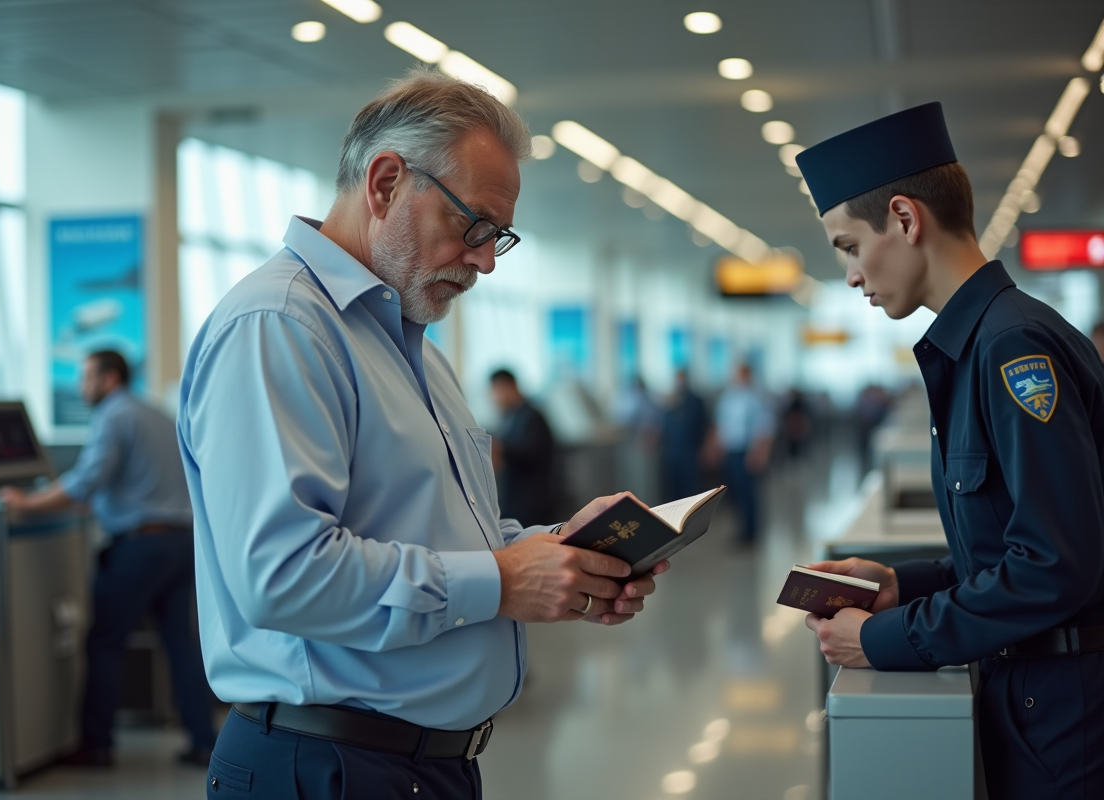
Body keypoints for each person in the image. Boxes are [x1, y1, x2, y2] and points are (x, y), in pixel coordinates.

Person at [176, 70, 668, 800]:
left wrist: (561, 551)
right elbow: (282, 576)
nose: (486, 260)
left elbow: (439, 533)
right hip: (326, 765)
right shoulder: (279, 328)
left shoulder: (413, 349)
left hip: (421, 767)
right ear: (385, 184)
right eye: (474, 225)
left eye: (498, 236)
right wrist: (502, 581)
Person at [796, 102, 1104, 798]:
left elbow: (1056, 566)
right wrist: (899, 585)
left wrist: (884, 639)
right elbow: (1009, 547)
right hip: (1034, 696)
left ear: (905, 219)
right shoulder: (978, 346)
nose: (851, 275)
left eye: (849, 246)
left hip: (1067, 715)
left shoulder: (1011, 348)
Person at [0, 351, 216, 767]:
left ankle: (96, 745)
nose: (81, 386)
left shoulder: (113, 417)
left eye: (87, 377)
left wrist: (26, 502)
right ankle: (203, 740)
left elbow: (85, 481)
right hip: (178, 543)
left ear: (110, 378)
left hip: (139, 548)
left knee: (103, 642)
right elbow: (141, 481)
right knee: (181, 645)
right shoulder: (156, 413)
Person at [706, 363, 774, 544]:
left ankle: (751, 532)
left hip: (747, 451)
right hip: (730, 451)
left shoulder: (756, 398)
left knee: (748, 493)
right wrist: (713, 448)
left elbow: (765, 428)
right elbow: (719, 425)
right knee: (734, 492)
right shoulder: (728, 398)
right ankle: (741, 528)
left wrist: (760, 452)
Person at [488, 368, 558, 526]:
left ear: (508, 387)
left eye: (496, 391)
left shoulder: (532, 417)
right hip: (515, 501)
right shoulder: (509, 416)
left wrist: (500, 448)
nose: (494, 397)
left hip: (532, 503)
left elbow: (530, 452)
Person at [659, 368, 708, 504]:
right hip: (672, 453)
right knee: (673, 491)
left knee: (691, 490)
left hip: (690, 452)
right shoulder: (670, 401)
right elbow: (664, 427)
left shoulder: (696, 401)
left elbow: (703, 426)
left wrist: (704, 449)